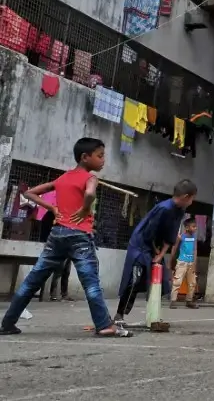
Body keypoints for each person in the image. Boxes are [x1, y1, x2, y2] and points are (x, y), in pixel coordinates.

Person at [1, 138, 128, 337]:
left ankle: (7, 323)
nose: (103, 160)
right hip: (79, 235)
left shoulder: (62, 178)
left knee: (33, 280)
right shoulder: (90, 178)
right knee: (91, 283)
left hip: (57, 234)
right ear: (85, 158)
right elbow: (90, 194)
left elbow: (29, 193)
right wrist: (85, 208)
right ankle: (104, 325)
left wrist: (52, 208)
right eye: (100, 156)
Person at [114, 180, 197, 323]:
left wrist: (161, 254)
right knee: (135, 278)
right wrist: (156, 252)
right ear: (185, 196)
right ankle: (119, 315)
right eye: (192, 198)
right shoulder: (163, 208)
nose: (192, 201)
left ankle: (153, 316)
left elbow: (170, 235)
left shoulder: (180, 211)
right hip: (141, 244)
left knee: (160, 281)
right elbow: (149, 232)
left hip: (156, 247)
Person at [38, 206, 72, 301]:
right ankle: (53, 294)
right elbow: (46, 227)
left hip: (67, 244)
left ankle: (64, 294)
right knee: (58, 271)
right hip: (57, 244)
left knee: (66, 271)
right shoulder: (52, 213)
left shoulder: (67, 213)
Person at [169, 217, 199, 309]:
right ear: (186, 227)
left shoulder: (194, 237)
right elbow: (174, 249)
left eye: (195, 226)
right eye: (193, 226)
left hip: (191, 263)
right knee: (177, 281)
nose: (195, 228)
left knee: (192, 283)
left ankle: (189, 301)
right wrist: (171, 261)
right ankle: (173, 301)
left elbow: (195, 250)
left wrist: (194, 263)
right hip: (182, 262)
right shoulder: (181, 237)